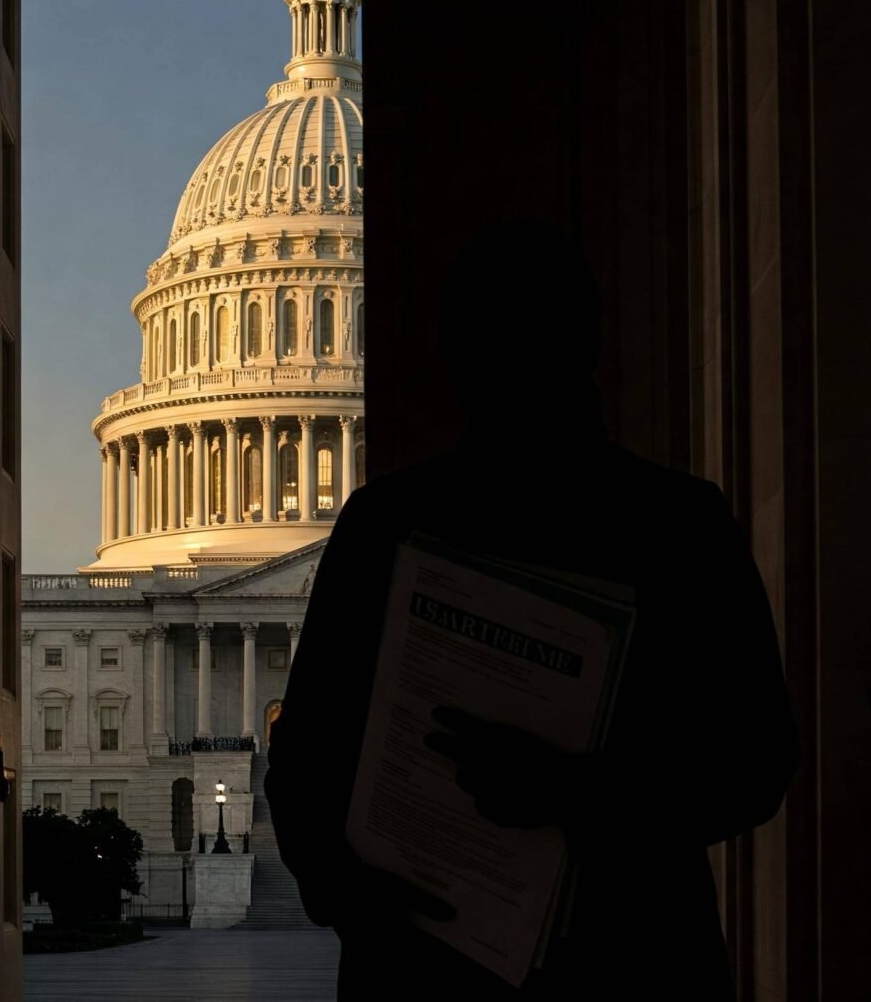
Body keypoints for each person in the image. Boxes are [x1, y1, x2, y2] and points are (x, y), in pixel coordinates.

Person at [265, 218, 799, 999]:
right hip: (484, 953)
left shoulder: (392, 522)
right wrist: (349, 890)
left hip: (611, 952)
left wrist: (575, 793)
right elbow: (302, 760)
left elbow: (759, 758)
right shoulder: (677, 520)